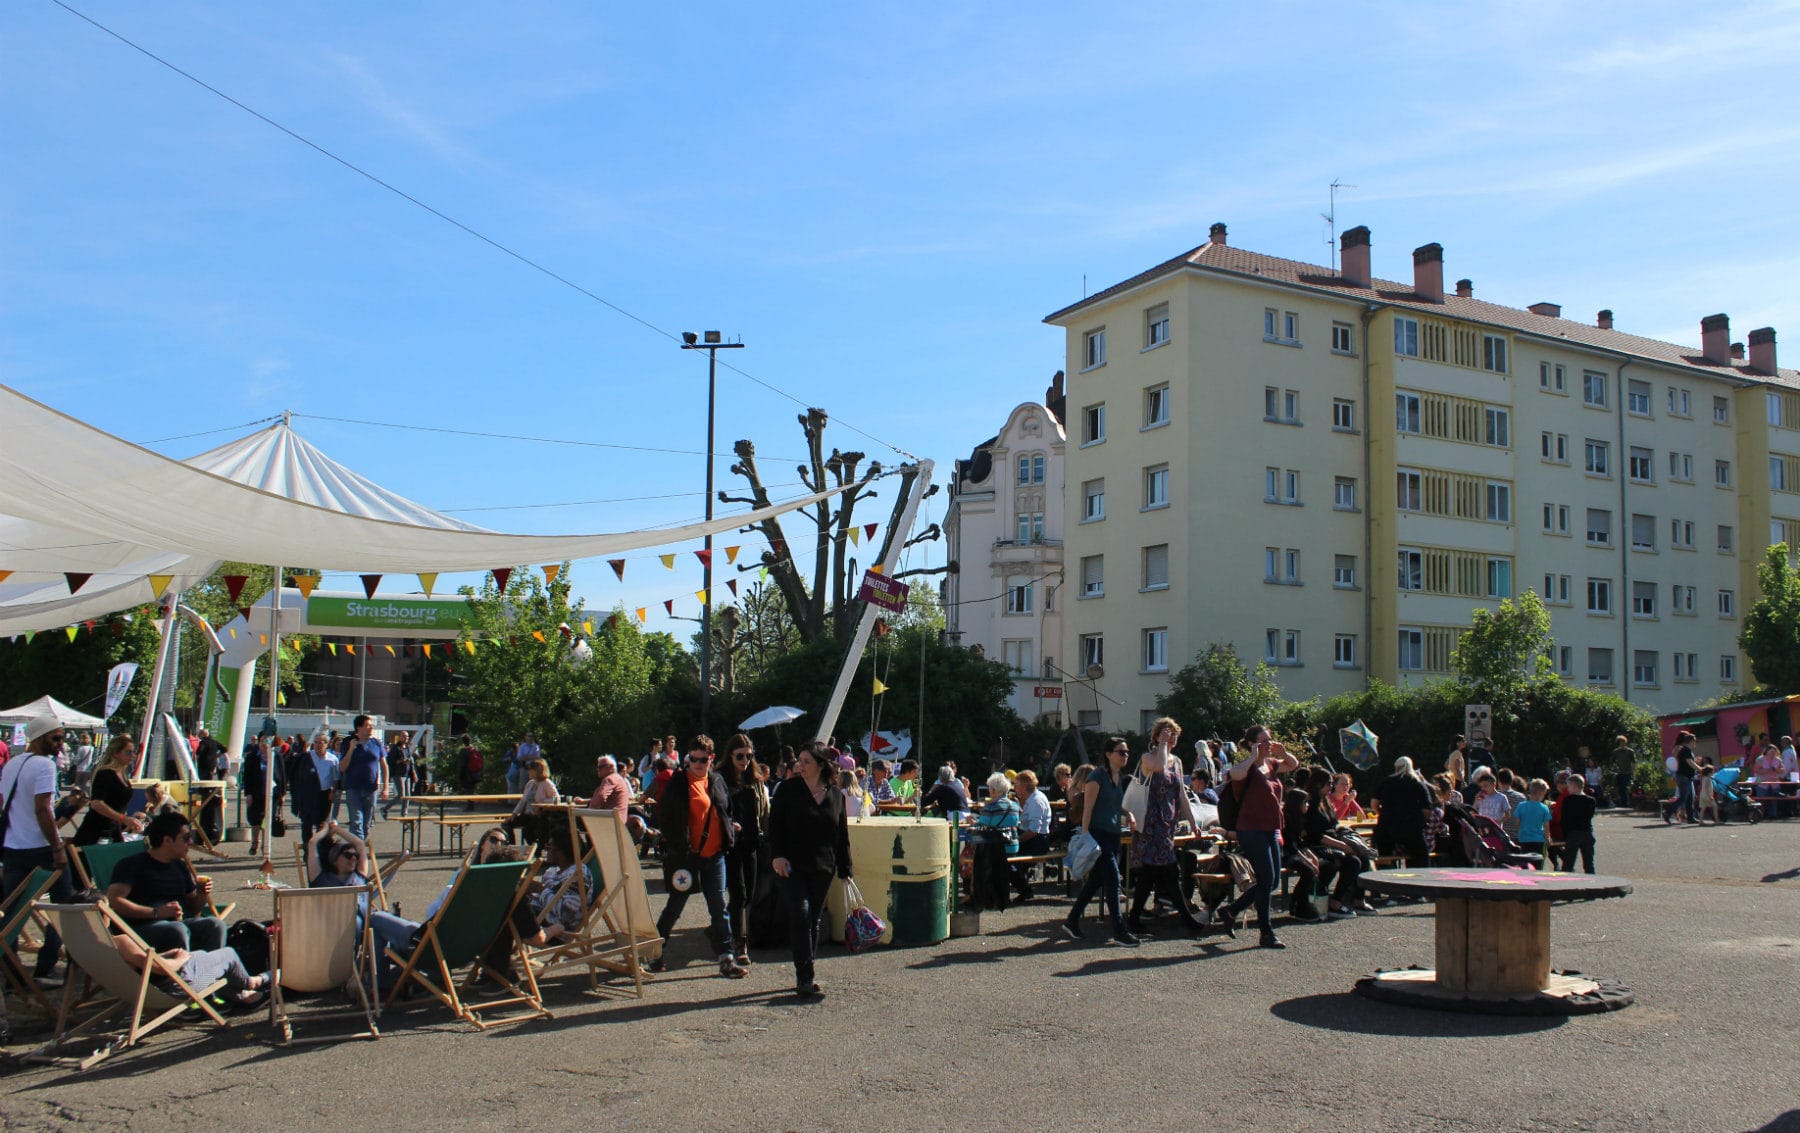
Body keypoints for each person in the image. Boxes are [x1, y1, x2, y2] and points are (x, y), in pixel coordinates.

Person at [652, 737, 745, 979]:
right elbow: (666, 816)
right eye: (693, 759)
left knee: (718, 907)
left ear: (711, 759)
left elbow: (726, 809)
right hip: (687, 857)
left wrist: (729, 827)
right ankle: (654, 952)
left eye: (703, 760)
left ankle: (726, 958)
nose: (697, 764)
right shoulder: (679, 782)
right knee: (675, 905)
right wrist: (679, 844)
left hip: (714, 855)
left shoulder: (716, 780)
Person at [767, 741, 852, 999]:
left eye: (806, 762)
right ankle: (804, 975)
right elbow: (775, 825)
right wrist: (777, 856)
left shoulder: (836, 796)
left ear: (821, 766)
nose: (799, 766)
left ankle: (807, 970)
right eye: (799, 761)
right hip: (791, 866)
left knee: (813, 919)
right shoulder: (788, 789)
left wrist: (846, 868)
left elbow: (841, 835)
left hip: (823, 867)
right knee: (801, 914)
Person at [1, 715, 78, 983]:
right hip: (40, 847)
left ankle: (12, 975)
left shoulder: (12, 764)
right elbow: (42, 810)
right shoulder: (45, 765)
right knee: (65, 908)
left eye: (62, 737)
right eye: (55, 738)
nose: (61, 743)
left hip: (13, 846)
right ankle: (47, 964)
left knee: (12, 915)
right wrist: (57, 847)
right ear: (40, 738)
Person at [1215, 725, 1298, 948]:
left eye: (1269, 740)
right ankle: (1266, 932)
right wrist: (1253, 756)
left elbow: (1293, 765)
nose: (1268, 744)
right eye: (1263, 741)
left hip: (1271, 827)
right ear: (1252, 744)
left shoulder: (1271, 764)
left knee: (1270, 881)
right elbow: (1235, 774)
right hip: (1251, 828)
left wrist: (1282, 752)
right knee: (1266, 879)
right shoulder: (1248, 767)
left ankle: (1231, 910)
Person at [1126, 718, 1207, 936]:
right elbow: (1159, 766)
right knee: (1167, 871)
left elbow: (1181, 794)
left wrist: (1192, 822)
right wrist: (1161, 744)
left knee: (1153, 873)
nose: (1171, 737)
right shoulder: (1148, 758)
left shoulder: (1177, 762)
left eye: (1173, 734)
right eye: (1166, 733)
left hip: (1167, 823)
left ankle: (1135, 919)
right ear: (1157, 735)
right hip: (1151, 823)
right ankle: (1185, 918)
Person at [106, 811, 226, 953]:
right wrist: (156, 913)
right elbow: (115, 901)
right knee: (177, 929)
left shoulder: (179, 866)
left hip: (174, 925)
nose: (191, 842)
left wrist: (202, 893)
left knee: (215, 925)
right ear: (167, 840)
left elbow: (193, 909)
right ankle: (180, 974)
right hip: (138, 929)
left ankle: (210, 970)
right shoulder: (132, 865)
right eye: (186, 838)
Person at [1062, 738, 1137, 946]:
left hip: (1113, 834)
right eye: (1121, 752)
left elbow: (1114, 805)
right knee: (1113, 880)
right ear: (1108, 754)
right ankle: (1120, 931)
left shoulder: (1117, 776)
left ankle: (1071, 920)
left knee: (1096, 881)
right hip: (1098, 834)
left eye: (1127, 752)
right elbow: (1088, 808)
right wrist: (1085, 835)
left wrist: (1128, 813)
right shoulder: (1096, 777)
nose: (1125, 755)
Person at [108, 915, 269, 1009]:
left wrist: (164, 955)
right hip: (176, 989)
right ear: (105, 915)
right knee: (228, 954)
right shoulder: (120, 941)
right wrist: (180, 959)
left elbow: (140, 963)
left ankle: (241, 994)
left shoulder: (90, 945)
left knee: (202, 955)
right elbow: (162, 969)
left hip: (143, 990)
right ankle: (256, 982)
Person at [722, 734, 767, 967]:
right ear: (730, 755)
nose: (745, 760)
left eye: (749, 756)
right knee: (738, 895)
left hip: (751, 843)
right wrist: (727, 823)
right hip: (729, 845)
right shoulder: (719, 778)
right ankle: (740, 944)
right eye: (740, 756)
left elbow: (764, 812)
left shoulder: (755, 780)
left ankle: (722, 927)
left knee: (748, 894)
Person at [73, 735, 144, 846]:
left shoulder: (122, 774)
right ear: (116, 753)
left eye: (133, 753)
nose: (133, 756)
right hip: (97, 831)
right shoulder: (105, 774)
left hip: (113, 829)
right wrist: (123, 818)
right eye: (128, 753)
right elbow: (96, 803)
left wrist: (128, 820)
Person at [967, 771, 1020, 910]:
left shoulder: (990, 807)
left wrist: (971, 822)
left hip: (996, 849)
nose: (989, 791)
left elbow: (981, 829)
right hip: (1013, 846)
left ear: (994, 790)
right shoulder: (1014, 806)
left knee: (967, 853)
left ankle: (972, 893)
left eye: (990, 788)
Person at [1373, 756, 1432, 867]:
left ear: (1396, 768)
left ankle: (1383, 879)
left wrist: (1383, 813)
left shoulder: (1386, 782)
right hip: (1411, 827)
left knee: (1384, 855)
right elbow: (1427, 811)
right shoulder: (1418, 784)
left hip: (1386, 827)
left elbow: (1374, 803)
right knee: (1421, 856)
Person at [340, 715, 388, 840]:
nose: (371, 727)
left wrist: (386, 787)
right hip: (353, 788)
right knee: (356, 822)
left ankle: (358, 848)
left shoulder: (376, 743)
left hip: (371, 788)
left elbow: (384, 765)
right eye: (367, 725)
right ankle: (358, 852)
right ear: (358, 728)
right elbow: (342, 767)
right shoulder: (347, 743)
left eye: (371, 725)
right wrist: (351, 749)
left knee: (367, 824)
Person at [290, 734, 338, 845]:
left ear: (327, 744)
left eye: (320, 742)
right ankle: (307, 847)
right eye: (315, 742)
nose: (317, 745)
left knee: (322, 823)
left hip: (324, 794)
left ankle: (319, 846)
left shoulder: (332, 759)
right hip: (308, 794)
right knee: (307, 822)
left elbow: (336, 778)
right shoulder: (306, 757)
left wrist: (333, 791)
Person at [507, 758, 559, 845]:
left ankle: (535, 849)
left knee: (529, 831)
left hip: (539, 815)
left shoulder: (547, 783)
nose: (528, 772)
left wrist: (542, 802)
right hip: (528, 814)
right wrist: (514, 814)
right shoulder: (530, 783)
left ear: (537, 771)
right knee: (507, 824)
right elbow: (523, 801)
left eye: (530, 770)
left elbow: (556, 799)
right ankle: (512, 846)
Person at [1559, 776, 1597, 873]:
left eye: (1568, 786)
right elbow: (1589, 816)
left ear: (1574, 786)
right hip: (1587, 832)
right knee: (1589, 863)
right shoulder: (1591, 801)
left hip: (1573, 833)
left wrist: (1564, 835)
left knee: (1568, 863)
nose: (1567, 788)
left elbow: (1564, 819)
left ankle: (1564, 884)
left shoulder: (1567, 800)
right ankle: (1593, 884)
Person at [1666, 732, 1702, 825]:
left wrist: (1697, 766)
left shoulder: (1687, 751)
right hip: (1683, 777)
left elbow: (1690, 762)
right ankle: (1668, 812)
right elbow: (1689, 762)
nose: (1695, 743)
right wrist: (1701, 769)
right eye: (1694, 741)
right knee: (1683, 797)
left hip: (1687, 777)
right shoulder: (1685, 750)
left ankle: (1690, 817)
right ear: (1690, 741)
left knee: (1690, 797)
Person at [1514, 779, 1551, 861]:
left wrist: (1520, 832)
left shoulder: (1521, 806)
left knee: (1525, 862)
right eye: (1544, 793)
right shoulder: (1544, 808)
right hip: (1538, 840)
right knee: (1537, 862)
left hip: (1524, 839)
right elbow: (1546, 826)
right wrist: (1548, 838)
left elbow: (1517, 823)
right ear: (1541, 793)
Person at [381, 732, 414, 819]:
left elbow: (411, 761)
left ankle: (404, 813)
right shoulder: (396, 748)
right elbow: (390, 761)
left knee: (408, 795)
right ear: (400, 737)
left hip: (406, 774)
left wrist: (413, 773)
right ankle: (385, 808)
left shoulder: (407, 748)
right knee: (401, 795)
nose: (405, 738)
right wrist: (401, 761)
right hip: (398, 773)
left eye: (407, 736)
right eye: (403, 736)